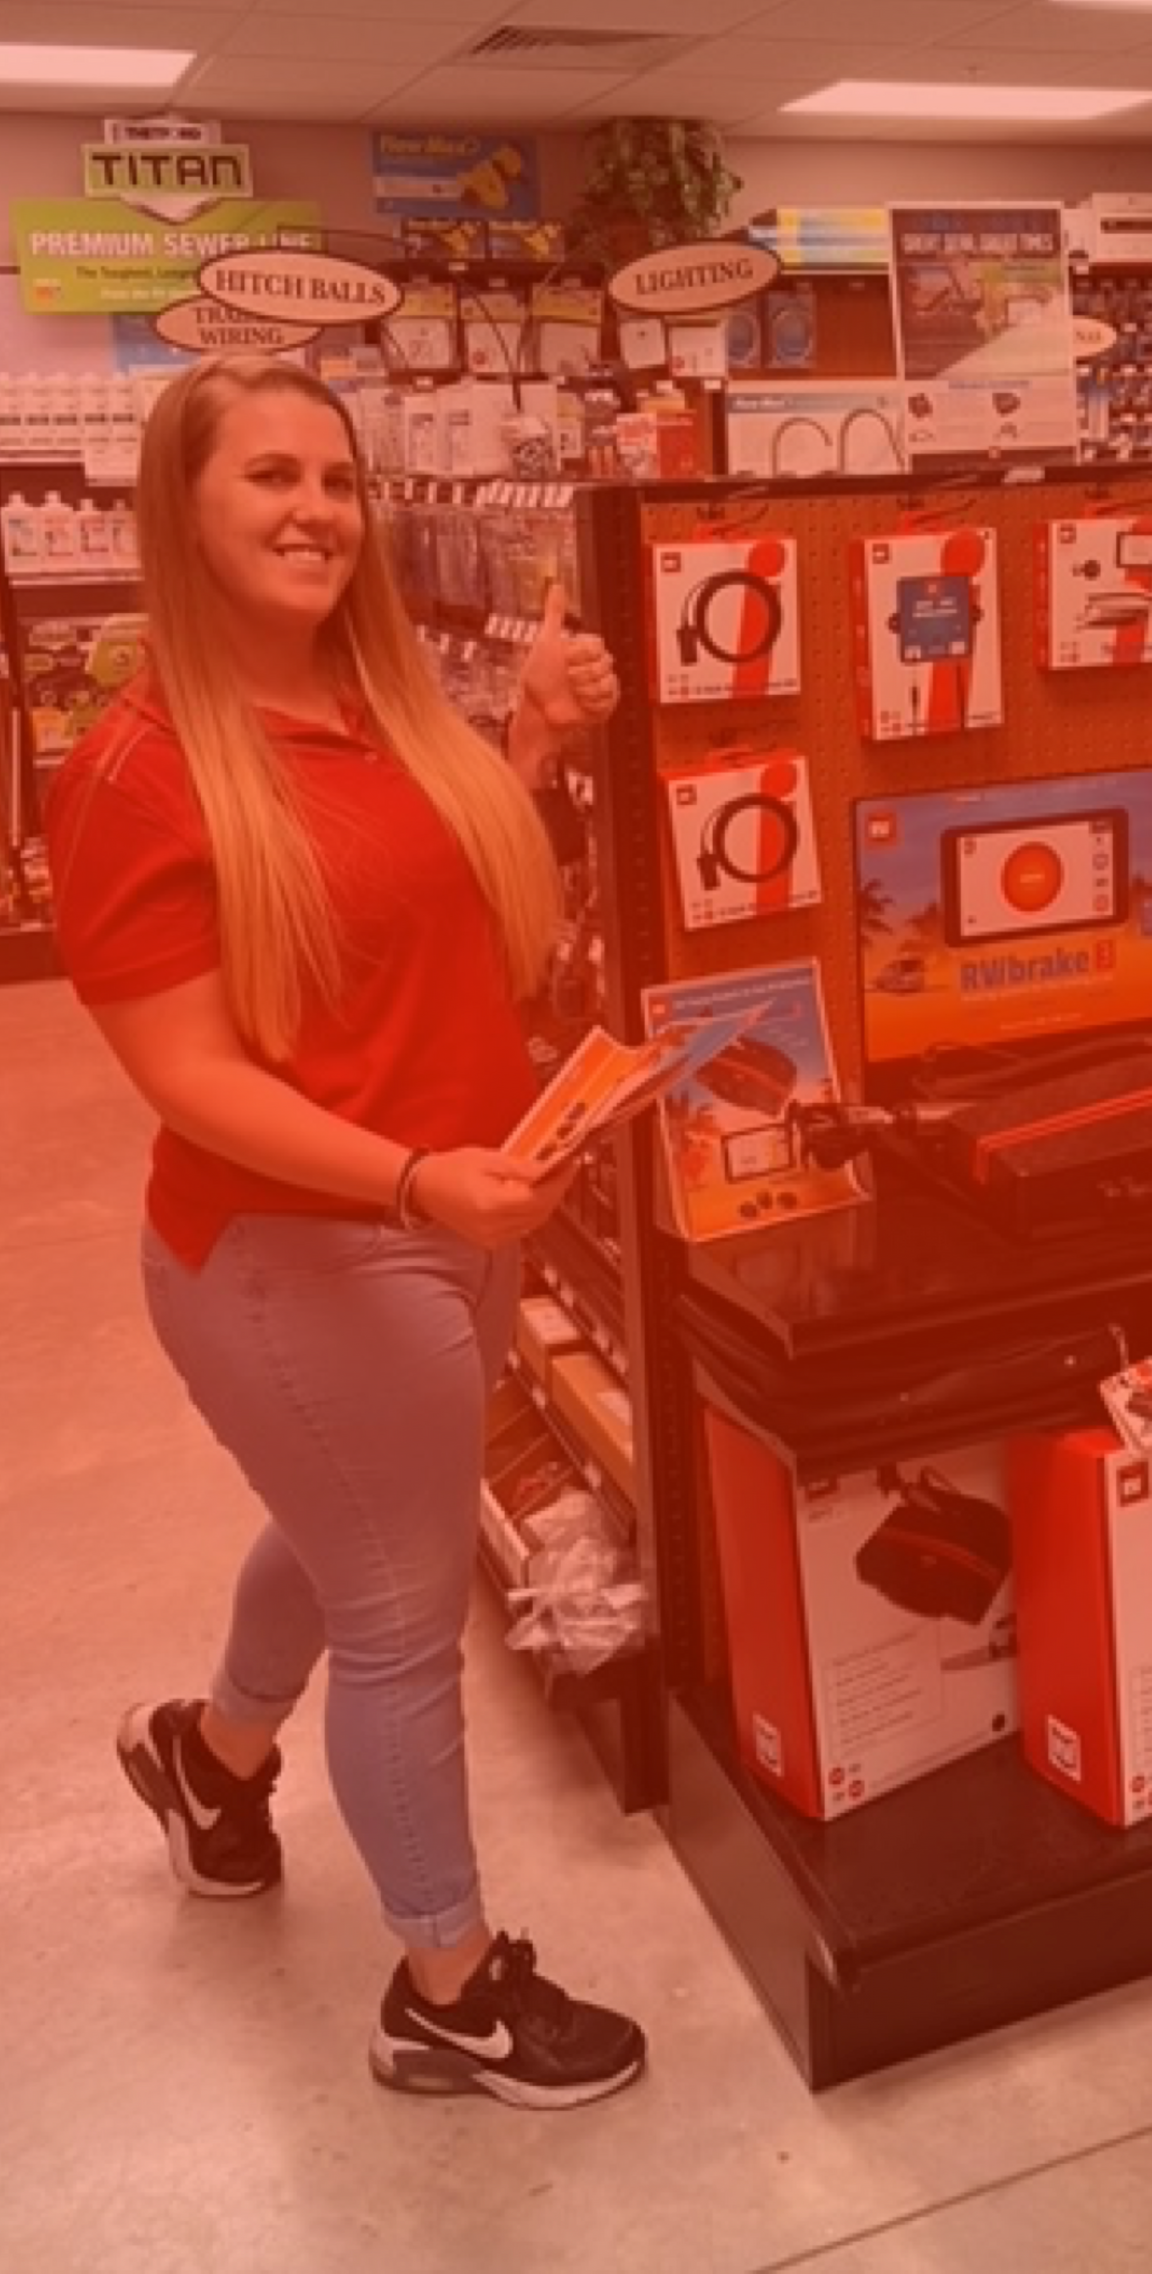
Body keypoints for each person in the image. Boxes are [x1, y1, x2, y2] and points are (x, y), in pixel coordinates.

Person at [43, 354, 646, 2112]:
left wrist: (527, 746)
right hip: (300, 1252)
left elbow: (455, 921)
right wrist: (408, 1182)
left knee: (352, 1527)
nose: (316, 511)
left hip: (459, 1210)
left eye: (337, 478)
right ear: (183, 508)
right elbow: (187, 1077)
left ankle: (212, 1759)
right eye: (269, 477)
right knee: (399, 1613)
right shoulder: (137, 775)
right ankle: (444, 1988)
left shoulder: (380, 705)